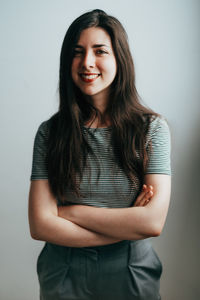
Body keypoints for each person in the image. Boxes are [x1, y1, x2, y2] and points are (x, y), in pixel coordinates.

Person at [28, 9, 171, 300]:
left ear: (119, 58)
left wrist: (70, 212)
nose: (87, 63)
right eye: (77, 52)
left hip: (132, 270)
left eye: (100, 51)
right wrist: (128, 222)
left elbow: (151, 223)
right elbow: (41, 224)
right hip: (63, 269)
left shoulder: (152, 129)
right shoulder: (50, 133)